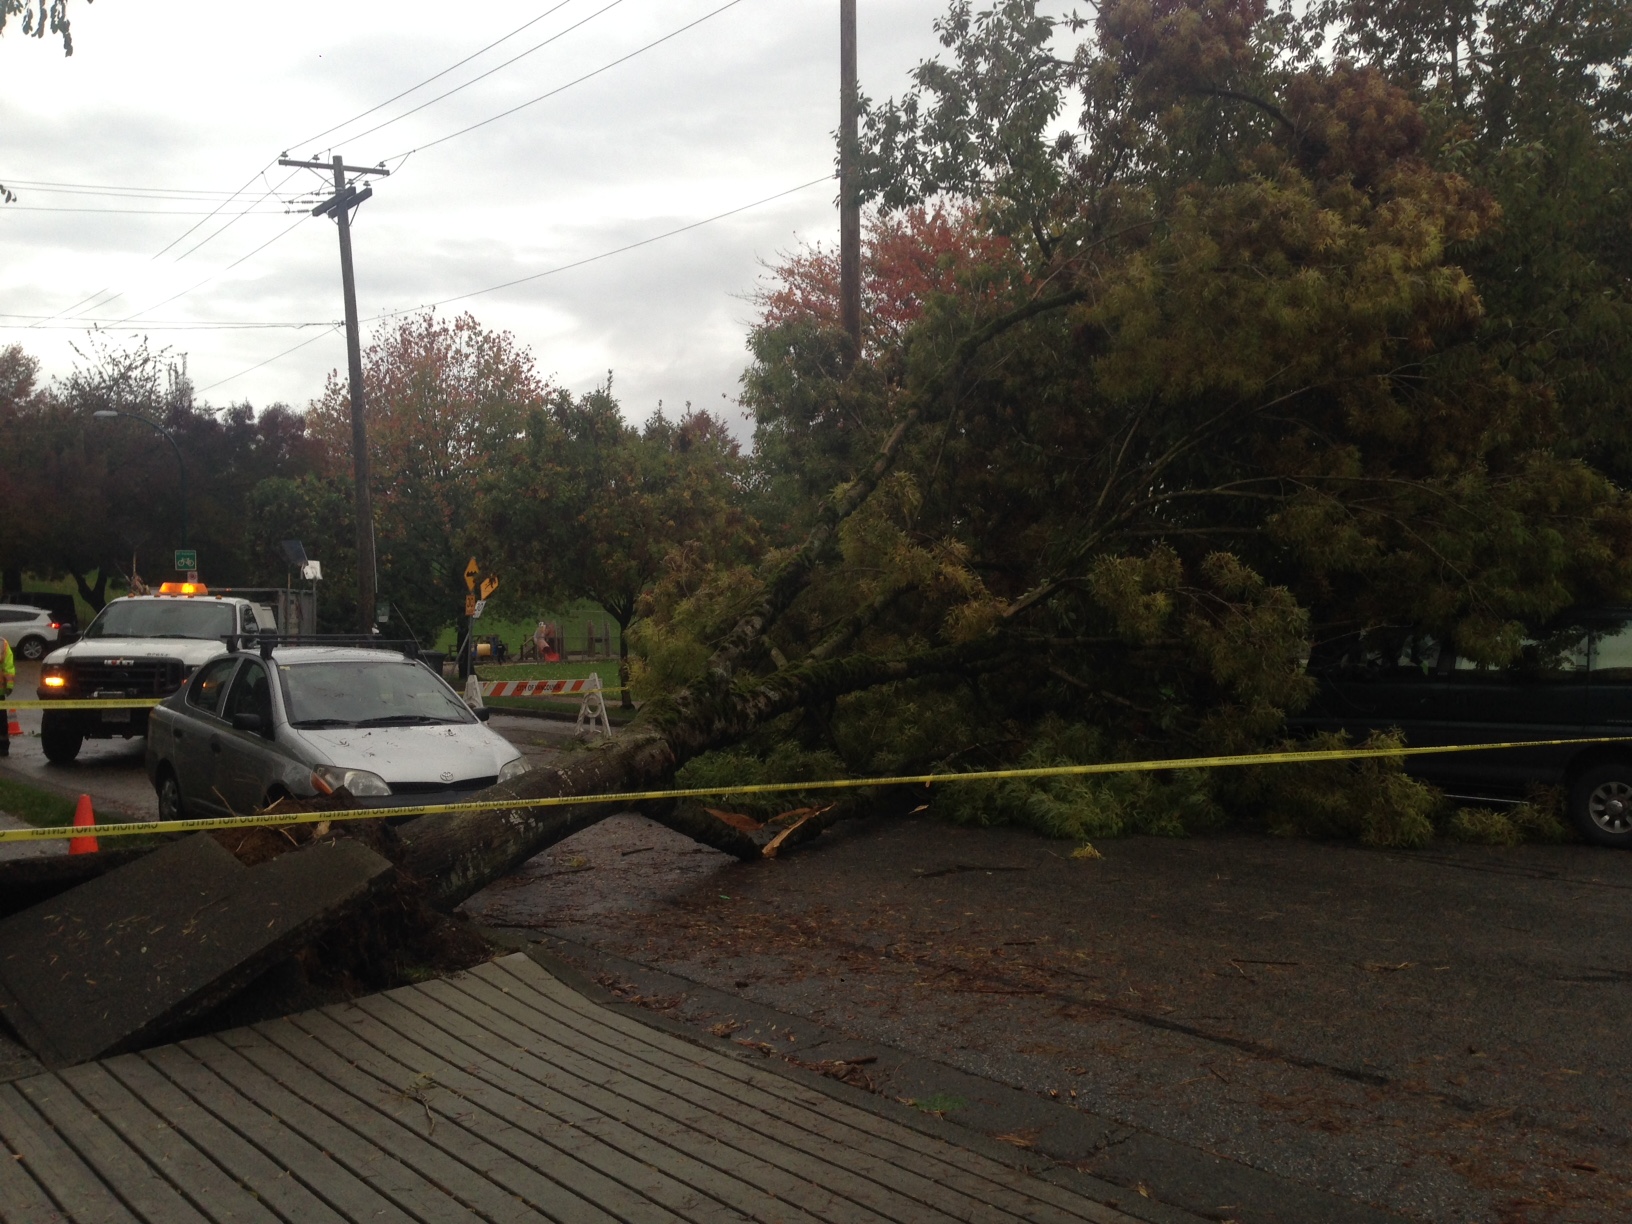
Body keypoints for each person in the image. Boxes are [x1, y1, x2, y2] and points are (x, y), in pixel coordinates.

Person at [0, 634, 14, 757]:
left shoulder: (2, 644)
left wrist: (9, 685)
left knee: (1, 722)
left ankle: (3, 747)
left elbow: (8, 666)